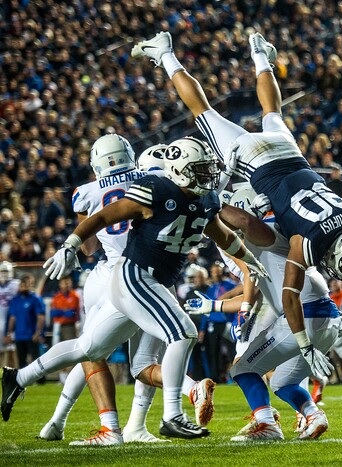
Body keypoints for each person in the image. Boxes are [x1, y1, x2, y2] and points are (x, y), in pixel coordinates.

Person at [132, 31, 342, 379]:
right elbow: (290, 295)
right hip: (256, 162)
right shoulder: (308, 241)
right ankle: (165, 53)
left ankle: (261, 55)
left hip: (291, 154)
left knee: (271, 112)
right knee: (204, 112)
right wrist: (312, 341)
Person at [1, 136, 267, 442]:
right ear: (179, 170)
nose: (207, 175)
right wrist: (70, 245)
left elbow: (223, 236)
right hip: (135, 276)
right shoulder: (157, 189)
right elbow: (102, 216)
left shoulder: (205, 200)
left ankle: (18, 377)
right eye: (200, 169)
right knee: (183, 333)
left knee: (89, 348)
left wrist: (248, 260)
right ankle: (172, 416)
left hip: (143, 281)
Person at [185, 193, 342, 441]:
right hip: (327, 316)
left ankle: (266, 425)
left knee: (242, 369)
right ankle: (314, 415)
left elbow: (248, 232)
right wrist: (217, 306)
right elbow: (255, 292)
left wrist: (212, 205)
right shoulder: (292, 229)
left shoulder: (260, 235)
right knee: (283, 383)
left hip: (302, 315)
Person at [4, 275, 45, 370]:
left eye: (25, 285)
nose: (23, 288)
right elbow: (12, 318)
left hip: (31, 335)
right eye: (22, 286)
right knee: (21, 360)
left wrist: (38, 332)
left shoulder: (35, 299)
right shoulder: (15, 301)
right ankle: (25, 380)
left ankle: (40, 381)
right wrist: (9, 333)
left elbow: (40, 317)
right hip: (19, 335)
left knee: (36, 359)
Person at [0, 262, 20, 368]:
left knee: (12, 350)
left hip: (12, 320)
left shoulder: (16, 284)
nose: (4, 274)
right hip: (1, 320)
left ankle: (14, 373)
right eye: (2, 271)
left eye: (6, 271)